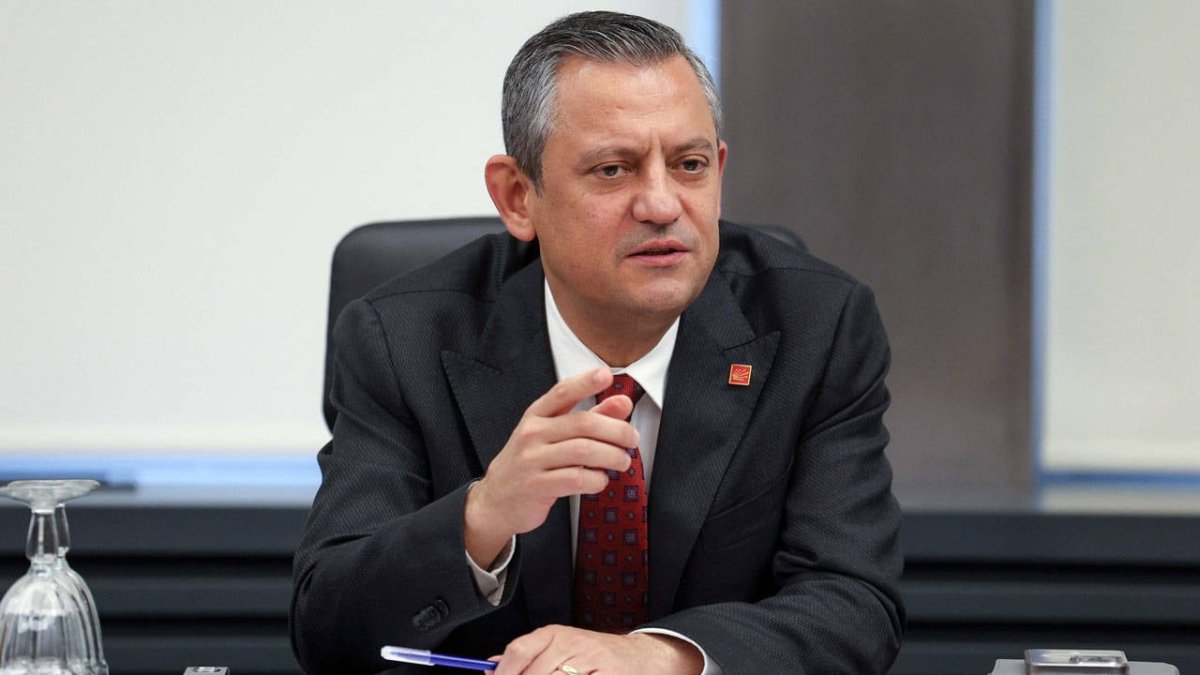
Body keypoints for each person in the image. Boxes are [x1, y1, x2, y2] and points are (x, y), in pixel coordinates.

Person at [291, 10, 903, 675]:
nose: (662, 205)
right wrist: (481, 517)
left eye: (690, 165)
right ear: (517, 196)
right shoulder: (402, 340)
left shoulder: (818, 327)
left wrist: (661, 656)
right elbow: (328, 629)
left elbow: (855, 606)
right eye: (614, 170)